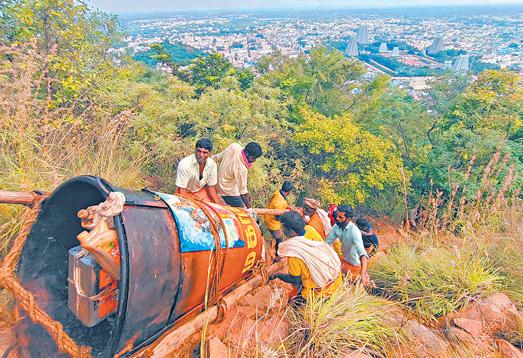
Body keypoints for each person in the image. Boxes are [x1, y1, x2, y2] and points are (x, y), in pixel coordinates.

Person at [270, 211, 342, 304]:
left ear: (291, 232)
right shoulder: (310, 229)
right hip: (335, 277)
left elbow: (295, 281)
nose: (282, 231)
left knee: (294, 304)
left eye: (283, 228)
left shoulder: (294, 253)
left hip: (321, 290)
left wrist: (277, 275)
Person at [325, 205, 370, 285]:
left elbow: (362, 253)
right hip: (344, 261)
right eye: (337, 216)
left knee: (354, 288)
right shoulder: (336, 227)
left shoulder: (354, 232)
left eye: (340, 217)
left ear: (348, 219)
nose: (337, 219)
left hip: (355, 266)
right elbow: (326, 244)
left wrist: (363, 274)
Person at [212, 142, 263, 208]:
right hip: (227, 190)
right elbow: (243, 193)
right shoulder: (242, 169)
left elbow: (217, 157)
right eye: (253, 158)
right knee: (242, 210)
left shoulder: (234, 146)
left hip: (218, 182)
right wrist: (249, 209)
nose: (254, 160)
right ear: (247, 153)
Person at [175, 138, 222, 204]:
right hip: (184, 191)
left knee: (209, 206)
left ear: (209, 154)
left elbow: (211, 186)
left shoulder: (212, 165)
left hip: (200, 191)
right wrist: (187, 203)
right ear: (195, 150)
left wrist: (219, 205)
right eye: (199, 151)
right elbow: (181, 189)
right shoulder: (185, 163)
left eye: (205, 152)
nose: (201, 155)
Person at [264, 181, 293, 257]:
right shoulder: (280, 202)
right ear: (289, 191)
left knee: (281, 235)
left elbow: (277, 205)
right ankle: (278, 256)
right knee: (279, 240)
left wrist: (287, 207)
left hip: (269, 216)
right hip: (271, 221)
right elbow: (278, 218)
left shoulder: (278, 193)